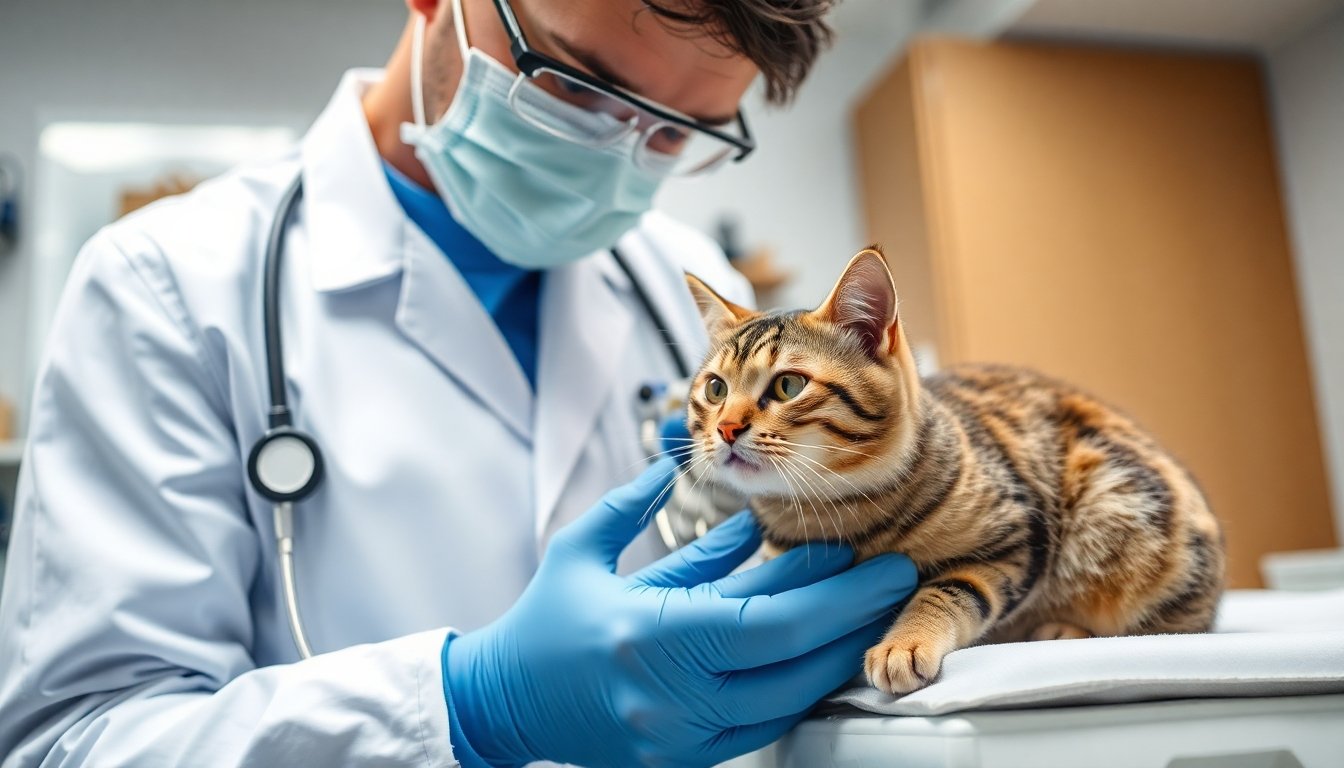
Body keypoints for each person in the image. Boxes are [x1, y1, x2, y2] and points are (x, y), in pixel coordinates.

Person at [0, 0, 917, 765]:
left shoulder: (687, 284)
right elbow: (77, 741)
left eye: (675, 131)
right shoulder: (166, 284)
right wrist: (467, 707)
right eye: (575, 84)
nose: (616, 154)